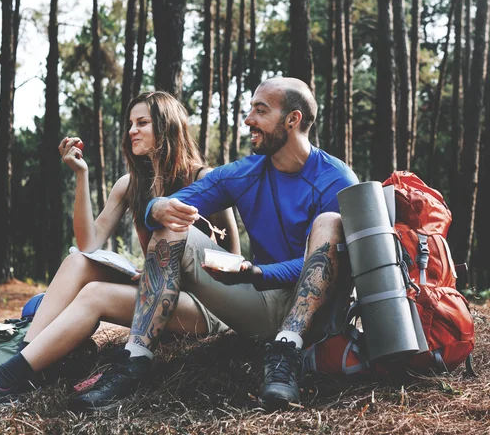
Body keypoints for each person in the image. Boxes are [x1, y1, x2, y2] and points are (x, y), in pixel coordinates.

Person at [70, 77, 358, 412]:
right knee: (172, 224)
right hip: (264, 306)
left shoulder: (336, 178)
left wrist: (259, 273)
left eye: (260, 111)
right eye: (250, 109)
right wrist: (158, 207)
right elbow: (170, 207)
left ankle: (286, 353)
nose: (248, 119)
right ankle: (133, 361)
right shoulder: (243, 173)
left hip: (318, 317)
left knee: (329, 223)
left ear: (292, 120)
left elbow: (334, 263)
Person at [0, 91, 239, 409]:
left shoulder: (206, 180)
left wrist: (171, 274)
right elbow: (88, 244)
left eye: (143, 123)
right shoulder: (130, 185)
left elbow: (235, 263)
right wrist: (82, 175)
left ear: (167, 127)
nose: (132, 131)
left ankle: (2, 383)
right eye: (130, 124)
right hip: (157, 295)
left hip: (206, 307)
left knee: (95, 293)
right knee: (78, 261)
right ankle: (23, 361)